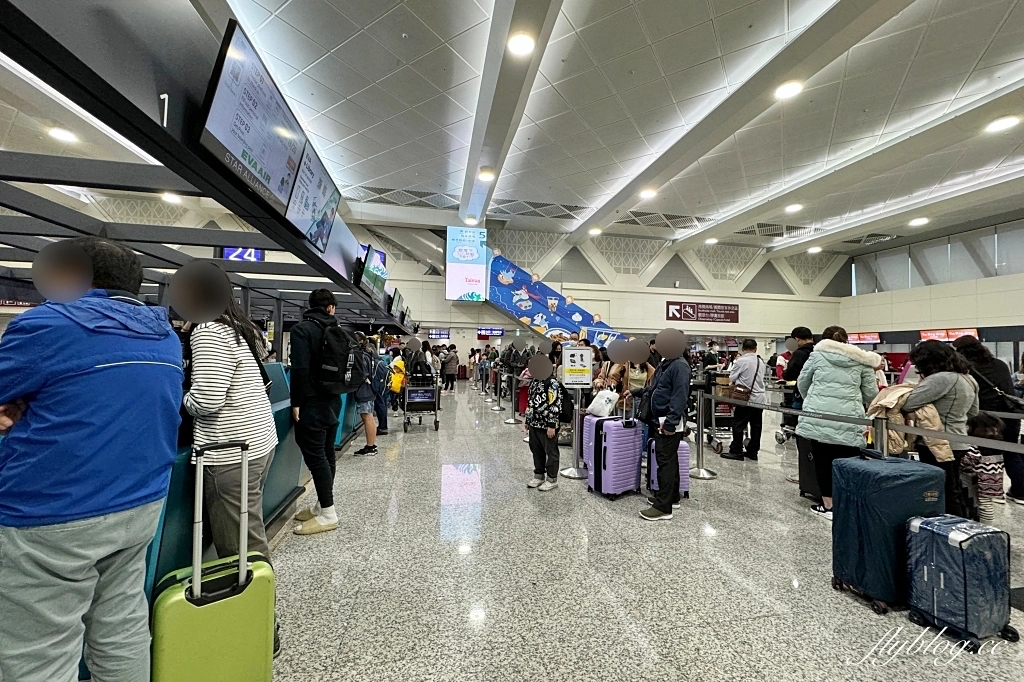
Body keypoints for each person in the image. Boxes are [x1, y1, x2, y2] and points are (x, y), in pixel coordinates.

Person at [0, 237, 183, 682]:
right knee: (121, 626)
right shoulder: (166, 337)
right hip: (140, 504)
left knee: (38, 651)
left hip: (50, 511)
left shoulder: (49, 325)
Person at [183, 276, 278, 559]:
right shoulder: (237, 327)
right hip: (258, 441)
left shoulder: (210, 330)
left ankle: (254, 601)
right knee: (248, 530)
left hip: (229, 450)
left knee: (242, 550)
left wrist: (181, 398)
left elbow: (207, 400)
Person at [796, 326, 880, 520]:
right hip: (849, 418)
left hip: (820, 416)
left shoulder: (816, 356)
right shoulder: (862, 360)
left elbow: (803, 382)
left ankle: (829, 505)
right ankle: (849, 504)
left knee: (823, 461)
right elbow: (871, 393)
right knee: (849, 462)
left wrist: (813, 400)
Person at [904, 340, 979, 516]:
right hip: (959, 440)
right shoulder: (968, 378)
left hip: (936, 442)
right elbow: (974, 411)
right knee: (954, 489)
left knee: (938, 491)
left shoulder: (941, 379)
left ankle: (947, 529)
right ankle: (960, 526)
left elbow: (908, 403)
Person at [290, 289, 343, 535]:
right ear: (330, 307)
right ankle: (321, 506)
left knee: (316, 458)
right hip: (333, 401)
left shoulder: (302, 330)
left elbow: (300, 369)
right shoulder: (338, 330)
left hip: (311, 404)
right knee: (327, 455)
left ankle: (329, 514)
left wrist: (296, 402)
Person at [951, 336, 1022, 503]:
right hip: (1010, 416)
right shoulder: (1000, 364)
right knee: (1012, 453)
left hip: (983, 419)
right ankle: (1020, 492)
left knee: (983, 457)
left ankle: (986, 495)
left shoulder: (965, 369)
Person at [638, 338, 691, 521]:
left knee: (665, 462)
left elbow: (680, 396)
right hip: (660, 419)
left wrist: (670, 423)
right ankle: (671, 496)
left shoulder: (679, 366)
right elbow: (656, 388)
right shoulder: (666, 363)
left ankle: (663, 507)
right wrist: (638, 392)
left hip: (667, 421)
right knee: (669, 459)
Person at [723, 339, 765, 461]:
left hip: (745, 398)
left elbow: (732, 377)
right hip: (760, 399)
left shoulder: (741, 361)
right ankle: (753, 452)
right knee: (756, 426)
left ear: (742, 349)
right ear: (756, 349)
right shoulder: (761, 361)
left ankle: (736, 450)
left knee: (738, 424)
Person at [525, 366, 563, 492]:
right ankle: (539, 475)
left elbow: (555, 404)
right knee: (536, 449)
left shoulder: (552, 383)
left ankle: (552, 479)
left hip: (547, 424)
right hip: (534, 423)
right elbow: (530, 401)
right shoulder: (535, 381)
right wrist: (528, 420)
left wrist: (552, 425)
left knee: (551, 451)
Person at [352, 332, 378, 457]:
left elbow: (362, 374)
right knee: (369, 417)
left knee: (367, 417)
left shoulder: (361, 356)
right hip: (370, 389)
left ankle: (371, 446)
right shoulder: (369, 354)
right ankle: (371, 445)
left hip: (364, 390)